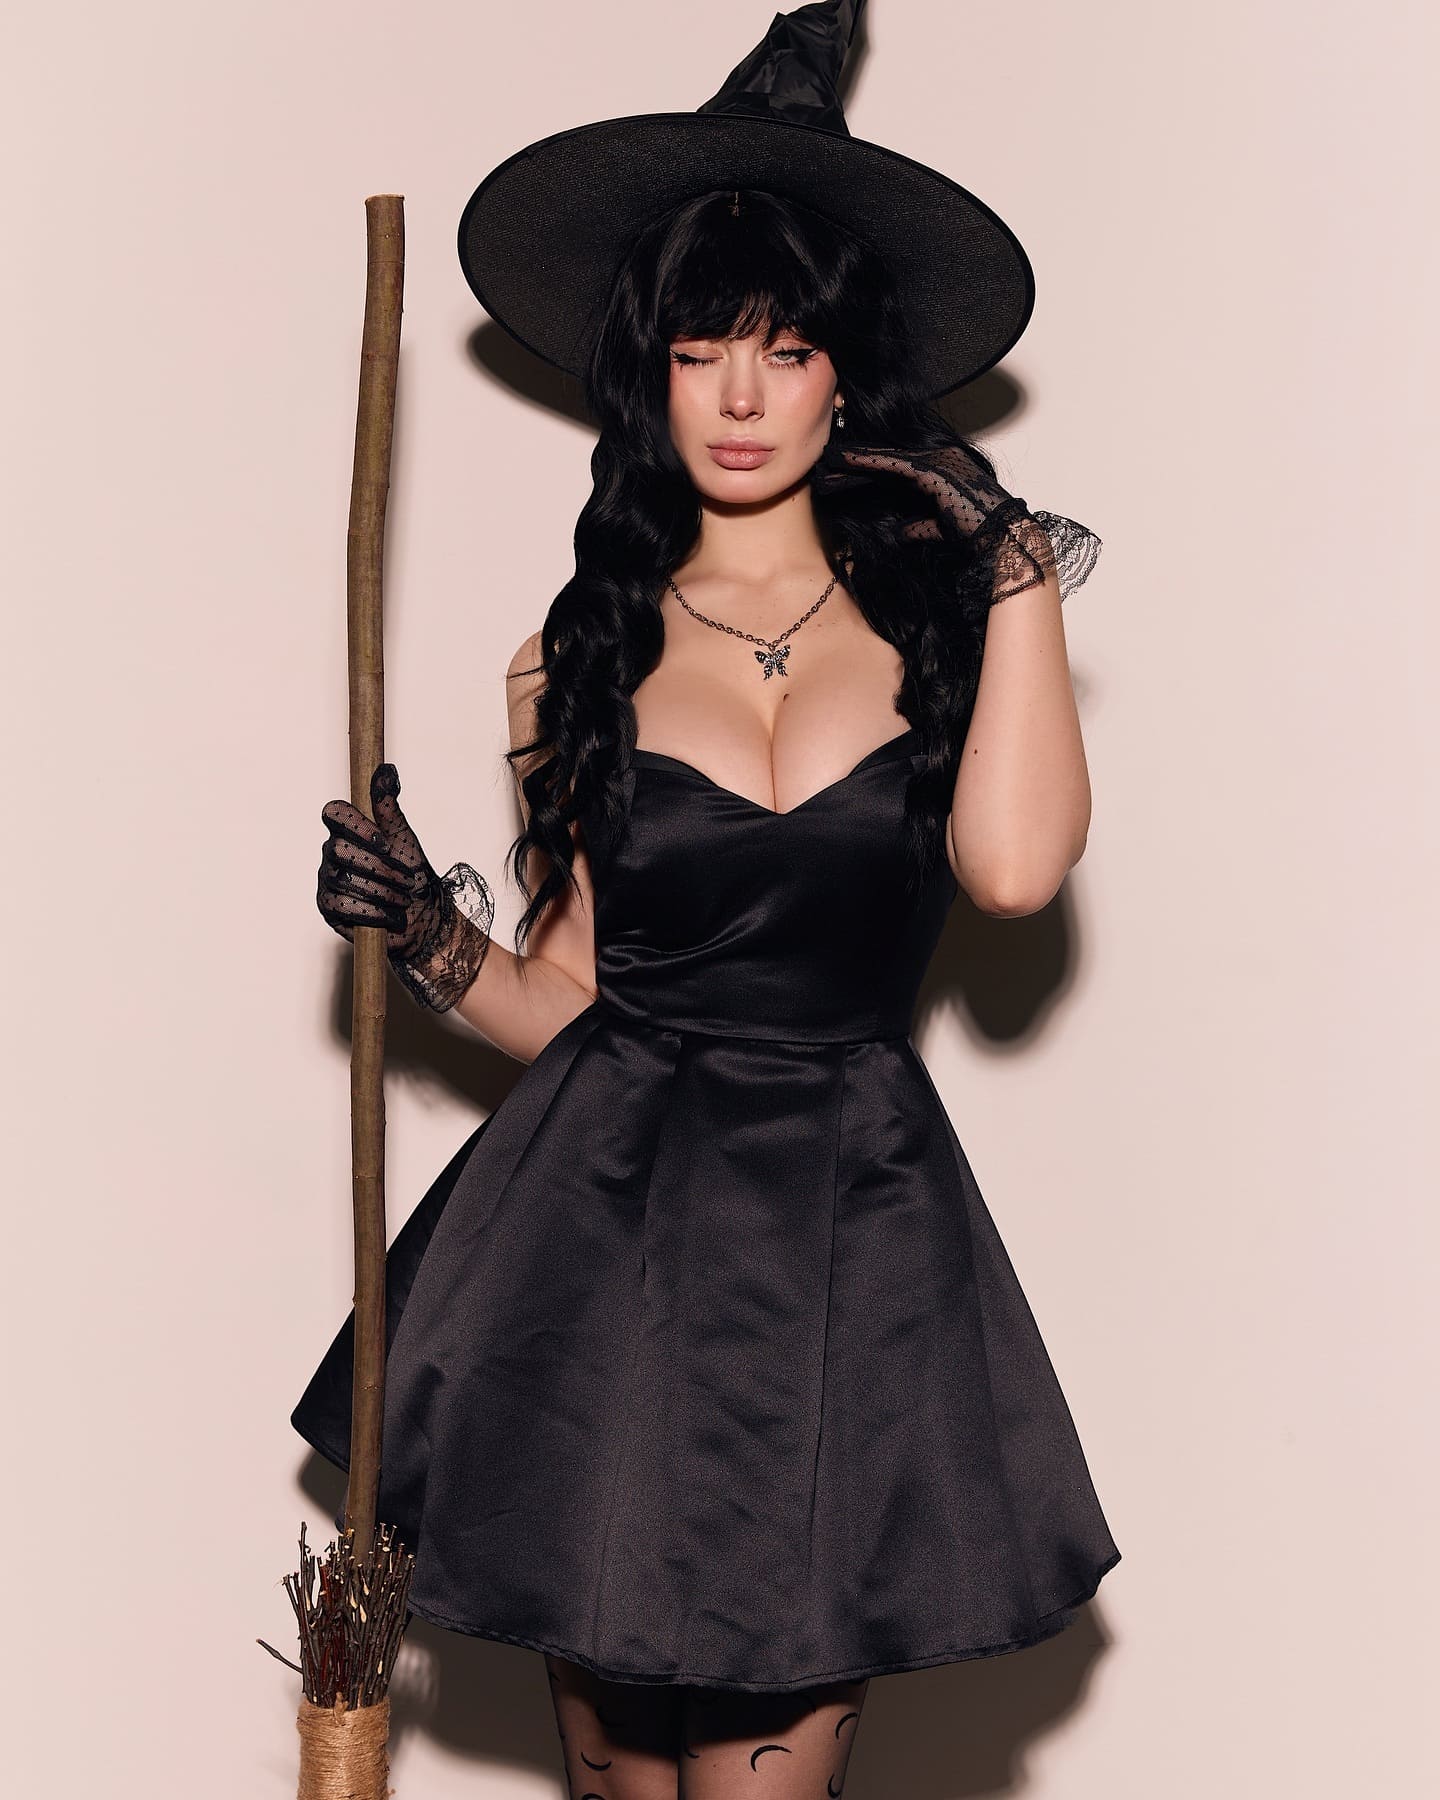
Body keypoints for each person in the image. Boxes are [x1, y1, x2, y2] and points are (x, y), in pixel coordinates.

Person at [293, 4, 1120, 1793]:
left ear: (847, 376)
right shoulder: (573, 656)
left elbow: (1012, 871)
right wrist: (427, 932)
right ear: (648, 375)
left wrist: (1016, 578)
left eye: (788, 347)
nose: (741, 397)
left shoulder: (945, 632)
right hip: (603, 1255)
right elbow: (574, 1003)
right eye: (699, 348)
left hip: (843, 1249)